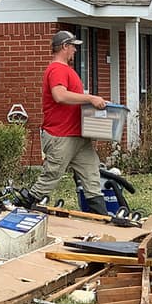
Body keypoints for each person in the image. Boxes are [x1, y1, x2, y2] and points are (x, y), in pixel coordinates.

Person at [25, 30, 109, 215]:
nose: (75, 51)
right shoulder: (57, 69)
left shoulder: (68, 71)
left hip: (78, 136)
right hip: (60, 135)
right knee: (51, 177)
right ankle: (21, 208)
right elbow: (60, 95)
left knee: (92, 177)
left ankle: (103, 220)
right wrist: (90, 98)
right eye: (73, 47)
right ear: (64, 46)